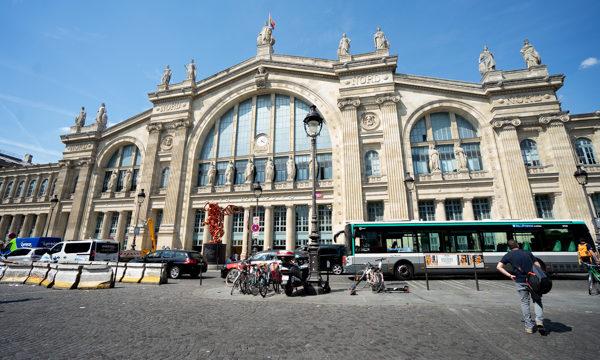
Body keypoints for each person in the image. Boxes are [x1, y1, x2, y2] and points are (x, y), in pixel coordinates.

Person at [496, 239, 545, 335]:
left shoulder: (508, 255)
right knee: (537, 300)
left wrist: (510, 275)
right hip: (533, 281)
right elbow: (537, 265)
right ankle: (539, 321)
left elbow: (499, 267)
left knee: (524, 303)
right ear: (517, 245)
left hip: (520, 281)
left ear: (509, 247)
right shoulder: (527, 252)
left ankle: (529, 326)